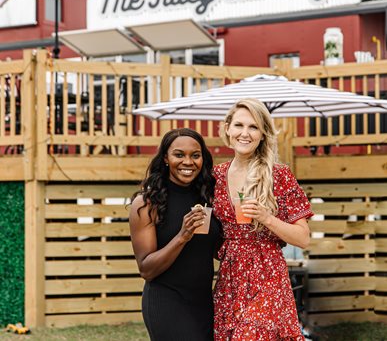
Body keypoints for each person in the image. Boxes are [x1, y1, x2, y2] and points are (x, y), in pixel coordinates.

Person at [212, 98, 313, 340]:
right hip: (229, 276)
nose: (244, 133)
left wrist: (267, 217)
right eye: (239, 125)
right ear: (227, 128)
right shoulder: (214, 175)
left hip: (267, 274)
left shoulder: (279, 175)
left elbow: (304, 238)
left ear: (263, 134)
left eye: (253, 127)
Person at [129, 128, 221, 341]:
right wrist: (182, 236)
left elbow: (215, 251)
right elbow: (146, 269)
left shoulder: (208, 197)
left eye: (195, 155)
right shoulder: (147, 204)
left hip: (205, 303)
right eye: (179, 155)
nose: (188, 162)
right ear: (166, 158)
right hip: (167, 302)